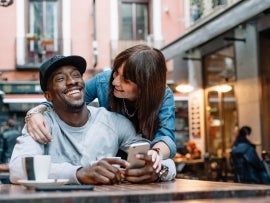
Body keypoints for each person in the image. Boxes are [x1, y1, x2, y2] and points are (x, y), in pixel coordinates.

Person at [9, 55, 176, 185]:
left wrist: (158, 171)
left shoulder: (116, 123)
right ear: (48, 95)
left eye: (76, 75)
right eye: (60, 79)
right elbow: (17, 169)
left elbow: (157, 157)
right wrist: (79, 173)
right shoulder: (41, 123)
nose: (72, 81)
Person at [25, 44, 176, 160]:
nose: (115, 81)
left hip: (144, 155)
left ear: (145, 85)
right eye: (116, 72)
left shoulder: (162, 95)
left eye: (126, 80)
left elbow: (166, 137)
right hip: (110, 154)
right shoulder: (104, 81)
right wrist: (35, 113)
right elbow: (70, 100)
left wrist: (155, 154)